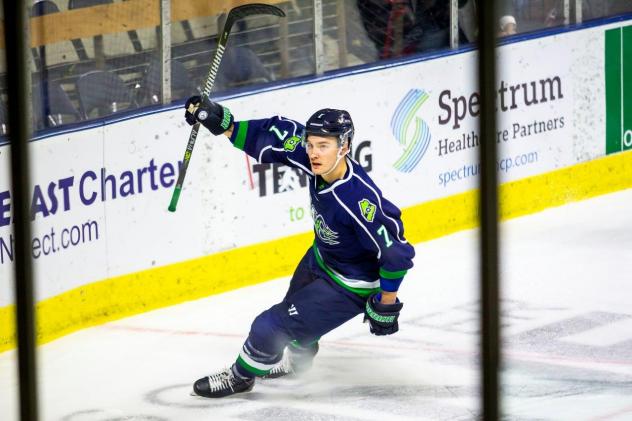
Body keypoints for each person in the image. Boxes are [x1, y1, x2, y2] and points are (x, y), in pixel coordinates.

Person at [183, 96, 416, 398]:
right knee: (294, 324)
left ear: (344, 146)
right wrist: (219, 120)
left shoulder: (358, 199)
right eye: (312, 144)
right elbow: (272, 134)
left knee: (269, 326)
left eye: (324, 146)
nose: (314, 153)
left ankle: (240, 377)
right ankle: (299, 361)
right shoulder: (312, 158)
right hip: (321, 259)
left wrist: (386, 303)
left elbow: (397, 253)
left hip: (349, 285)